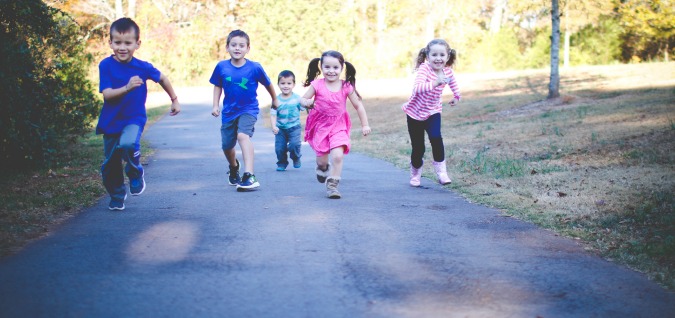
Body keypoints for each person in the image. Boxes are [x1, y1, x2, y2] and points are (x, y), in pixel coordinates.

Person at [96, 17, 181, 211]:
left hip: (133, 118)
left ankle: (135, 172)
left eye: (128, 43)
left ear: (137, 44)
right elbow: (108, 95)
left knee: (127, 143)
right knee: (110, 166)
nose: (122, 47)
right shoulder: (106, 65)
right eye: (117, 42)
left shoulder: (142, 67)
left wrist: (174, 99)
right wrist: (127, 87)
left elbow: (162, 78)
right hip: (111, 121)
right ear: (110, 43)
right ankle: (117, 195)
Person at [210, 29, 279, 191]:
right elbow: (217, 85)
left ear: (248, 48)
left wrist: (275, 99)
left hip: (249, 109)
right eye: (233, 45)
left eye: (241, 45)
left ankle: (249, 174)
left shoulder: (255, 68)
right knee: (227, 146)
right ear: (227, 47)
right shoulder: (221, 67)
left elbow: (268, 84)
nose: (237, 48)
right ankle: (234, 167)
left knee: (243, 135)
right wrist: (215, 105)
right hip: (228, 112)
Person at [300, 50, 371, 199]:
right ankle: (322, 167)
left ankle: (332, 185)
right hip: (320, 125)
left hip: (339, 126)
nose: (331, 71)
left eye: (335, 67)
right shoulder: (317, 84)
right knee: (322, 160)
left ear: (341, 68)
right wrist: (307, 102)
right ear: (321, 67)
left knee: (338, 156)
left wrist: (365, 125)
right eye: (327, 67)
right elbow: (302, 99)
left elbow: (358, 106)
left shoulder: (346, 86)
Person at [402, 39, 461, 187]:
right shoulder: (424, 69)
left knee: (436, 137)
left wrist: (456, 96)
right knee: (418, 147)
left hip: (433, 111)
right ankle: (415, 174)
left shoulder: (447, 71)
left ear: (448, 57)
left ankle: (442, 173)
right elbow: (417, 88)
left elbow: (453, 83)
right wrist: (436, 82)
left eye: (442, 55)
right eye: (434, 55)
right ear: (428, 56)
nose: (438, 58)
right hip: (414, 113)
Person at [270, 70, 303, 171]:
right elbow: (273, 114)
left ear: (293, 84)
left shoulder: (297, 98)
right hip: (281, 129)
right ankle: (282, 163)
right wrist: (274, 126)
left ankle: (296, 157)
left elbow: (306, 108)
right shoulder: (276, 100)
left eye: (289, 83)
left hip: (294, 127)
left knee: (294, 145)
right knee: (280, 148)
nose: (286, 86)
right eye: (282, 83)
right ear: (278, 84)